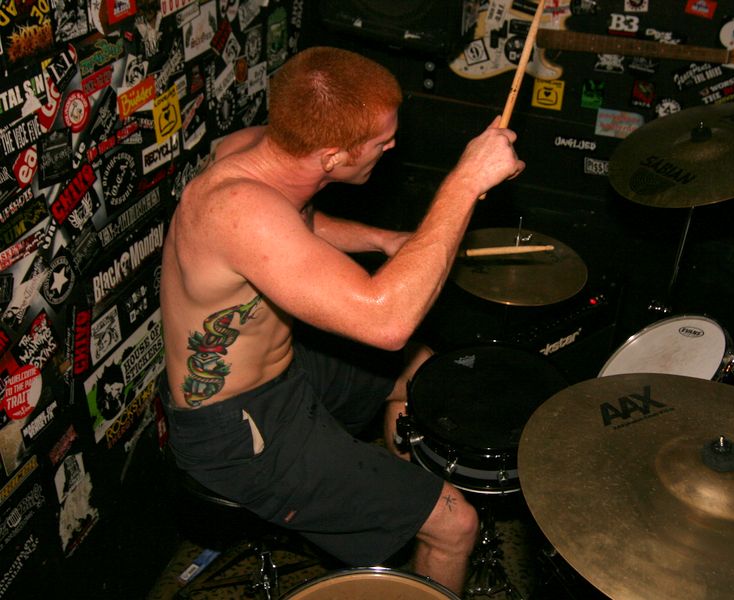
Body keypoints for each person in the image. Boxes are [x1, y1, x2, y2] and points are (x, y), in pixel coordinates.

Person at [159, 46, 524, 594]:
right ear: (331, 156)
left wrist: (384, 239)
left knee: (420, 371)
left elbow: (299, 223)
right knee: (457, 525)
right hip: (238, 430)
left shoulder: (260, 151)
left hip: (284, 370)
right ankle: (432, 525)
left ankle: (405, 498)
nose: (392, 146)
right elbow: (388, 323)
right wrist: (464, 183)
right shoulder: (239, 211)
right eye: (380, 142)